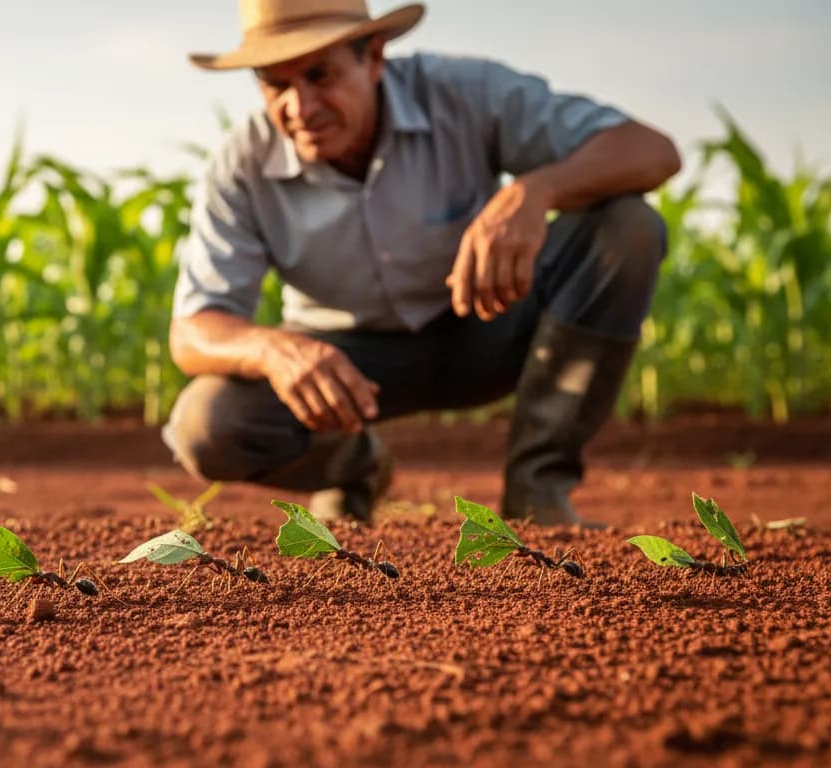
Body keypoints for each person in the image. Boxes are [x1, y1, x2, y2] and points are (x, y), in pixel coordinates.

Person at [161, 1, 682, 526]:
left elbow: (651, 150)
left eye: (320, 75)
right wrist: (273, 349)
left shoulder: (464, 92)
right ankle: (354, 469)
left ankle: (538, 491)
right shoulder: (240, 167)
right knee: (208, 424)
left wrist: (536, 189)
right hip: (350, 373)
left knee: (627, 228)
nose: (301, 107)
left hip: (490, 326)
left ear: (375, 58)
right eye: (275, 84)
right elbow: (193, 330)